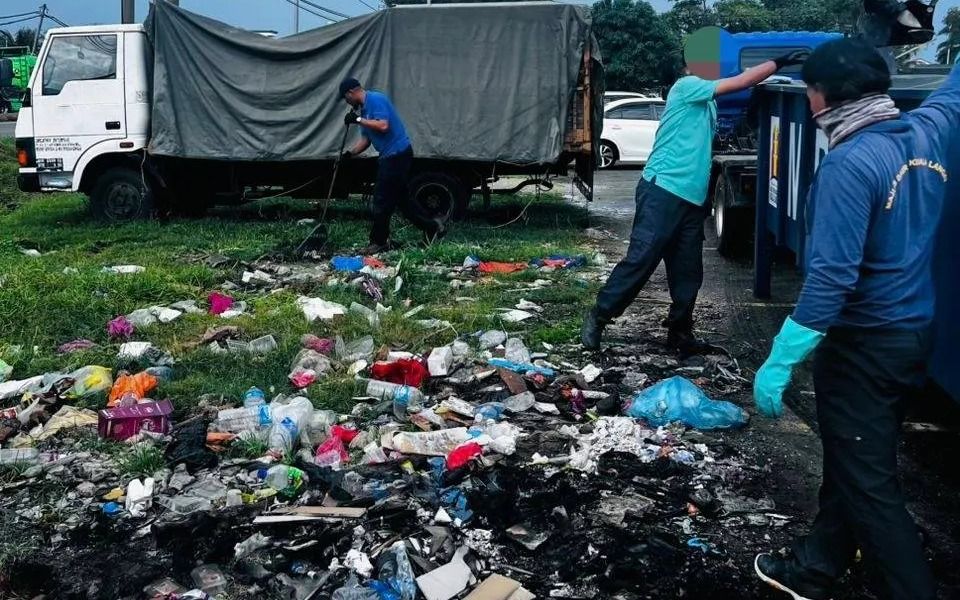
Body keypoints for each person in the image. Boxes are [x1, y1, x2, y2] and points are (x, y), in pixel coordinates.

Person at [753, 38, 958, 600]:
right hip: (912, 336)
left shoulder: (848, 164)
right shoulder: (926, 131)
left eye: (811, 94)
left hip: (864, 345)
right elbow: (954, 93)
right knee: (855, 457)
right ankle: (814, 569)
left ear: (819, 100)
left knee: (870, 485)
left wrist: (780, 358)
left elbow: (831, 280)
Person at [580, 50, 808, 354]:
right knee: (641, 260)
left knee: (688, 270)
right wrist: (779, 62)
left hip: (691, 200)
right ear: (687, 68)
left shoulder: (707, 102)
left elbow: (738, 97)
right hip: (663, 190)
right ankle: (599, 315)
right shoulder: (686, 87)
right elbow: (739, 81)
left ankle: (680, 333)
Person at [339, 77, 443, 254]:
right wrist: (350, 154)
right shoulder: (364, 110)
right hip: (389, 156)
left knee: (381, 198)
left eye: (345, 98)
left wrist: (357, 120)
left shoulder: (375, 99)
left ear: (351, 92)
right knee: (402, 200)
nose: (346, 102)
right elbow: (366, 139)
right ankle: (433, 227)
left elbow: (383, 125)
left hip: (397, 154)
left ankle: (378, 241)